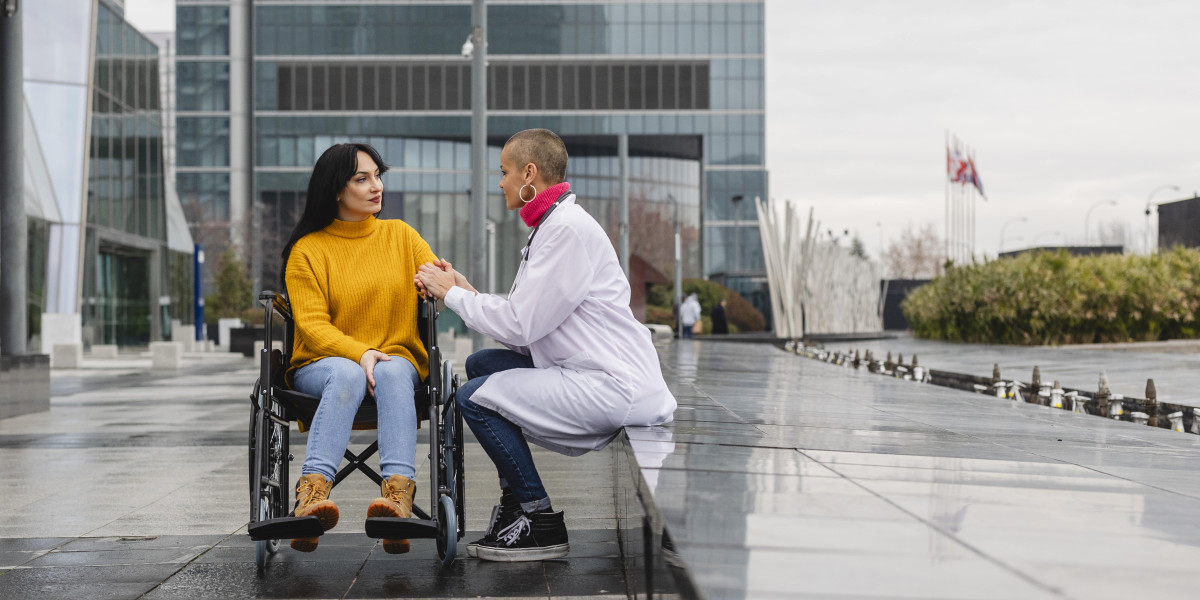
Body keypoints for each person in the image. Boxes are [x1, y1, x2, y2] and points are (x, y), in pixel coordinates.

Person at [414, 128, 677, 562]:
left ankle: (540, 520)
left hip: (611, 385)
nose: (500, 182)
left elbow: (521, 324)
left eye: (505, 171)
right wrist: (465, 290)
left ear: (529, 173)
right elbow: (529, 319)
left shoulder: (565, 231)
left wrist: (451, 296)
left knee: (473, 398)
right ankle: (518, 505)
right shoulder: (553, 225)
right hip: (597, 373)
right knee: (483, 364)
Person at [281, 143, 438, 555]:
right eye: (362, 178)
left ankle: (397, 501)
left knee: (390, 368)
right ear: (336, 189)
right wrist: (360, 353)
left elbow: (440, 280)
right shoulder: (308, 251)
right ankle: (312, 498)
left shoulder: (401, 236)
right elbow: (312, 326)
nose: (376, 186)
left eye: (377, 175)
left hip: (394, 360)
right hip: (322, 365)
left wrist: (447, 282)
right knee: (349, 371)